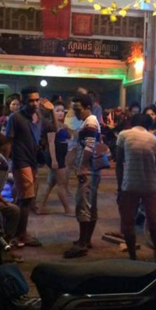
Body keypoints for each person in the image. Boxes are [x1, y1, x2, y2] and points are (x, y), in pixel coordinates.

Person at [115, 113, 156, 261]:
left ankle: (133, 257)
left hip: (129, 185)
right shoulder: (155, 140)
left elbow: (119, 164)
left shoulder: (123, 135)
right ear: (149, 125)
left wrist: (120, 187)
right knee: (153, 220)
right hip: (150, 186)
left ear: (132, 122)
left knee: (128, 222)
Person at [4, 87, 43, 247]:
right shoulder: (15, 118)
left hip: (33, 162)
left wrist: (52, 112)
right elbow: (8, 141)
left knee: (23, 199)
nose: (34, 103)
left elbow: (54, 129)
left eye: (37, 100)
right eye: (31, 100)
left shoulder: (37, 117)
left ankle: (15, 233)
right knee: (26, 199)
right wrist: (6, 163)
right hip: (21, 162)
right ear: (23, 102)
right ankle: (21, 235)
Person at [64, 93, 102, 258]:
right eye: (74, 109)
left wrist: (82, 167)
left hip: (88, 170)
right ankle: (86, 240)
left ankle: (82, 243)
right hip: (92, 170)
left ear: (88, 107)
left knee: (83, 205)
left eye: (78, 109)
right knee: (90, 205)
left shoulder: (91, 121)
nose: (76, 112)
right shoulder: (89, 121)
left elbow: (89, 147)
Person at [35, 101, 73, 216]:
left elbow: (70, 136)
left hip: (59, 156)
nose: (61, 113)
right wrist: (55, 160)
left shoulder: (61, 125)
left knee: (50, 183)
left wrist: (67, 128)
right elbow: (51, 144)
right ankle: (67, 209)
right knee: (61, 184)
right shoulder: (50, 125)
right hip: (55, 156)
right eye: (57, 111)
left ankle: (40, 207)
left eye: (62, 110)